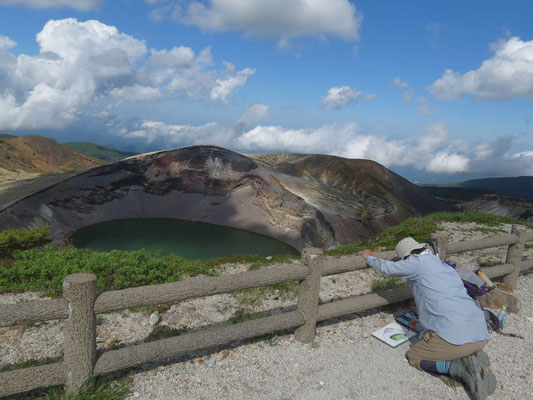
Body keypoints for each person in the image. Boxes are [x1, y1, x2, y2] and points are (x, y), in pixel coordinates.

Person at [360, 237, 496, 399]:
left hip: (457, 339)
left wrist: (370, 257)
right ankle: (470, 356)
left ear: (408, 256)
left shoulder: (417, 263)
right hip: (481, 336)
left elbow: (389, 268)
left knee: (415, 356)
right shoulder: (442, 265)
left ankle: (457, 368)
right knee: (435, 333)